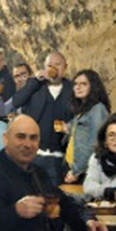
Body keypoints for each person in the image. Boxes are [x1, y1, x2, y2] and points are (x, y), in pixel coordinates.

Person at [10, 51, 73, 187]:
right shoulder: (36, 87)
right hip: (34, 154)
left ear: (65, 67)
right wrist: (34, 81)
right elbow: (16, 102)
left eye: (58, 64)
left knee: (53, 201)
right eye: (50, 65)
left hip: (58, 157)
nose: (54, 68)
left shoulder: (72, 90)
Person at [63, 69, 112, 184]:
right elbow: (78, 132)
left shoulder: (97, 109)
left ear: (93, 87)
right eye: (75, 84)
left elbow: (94, 143)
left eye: (83, 84)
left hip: (87, 171)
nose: (78, 87)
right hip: (77, 169)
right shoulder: (83, 111)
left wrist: (76, 171)